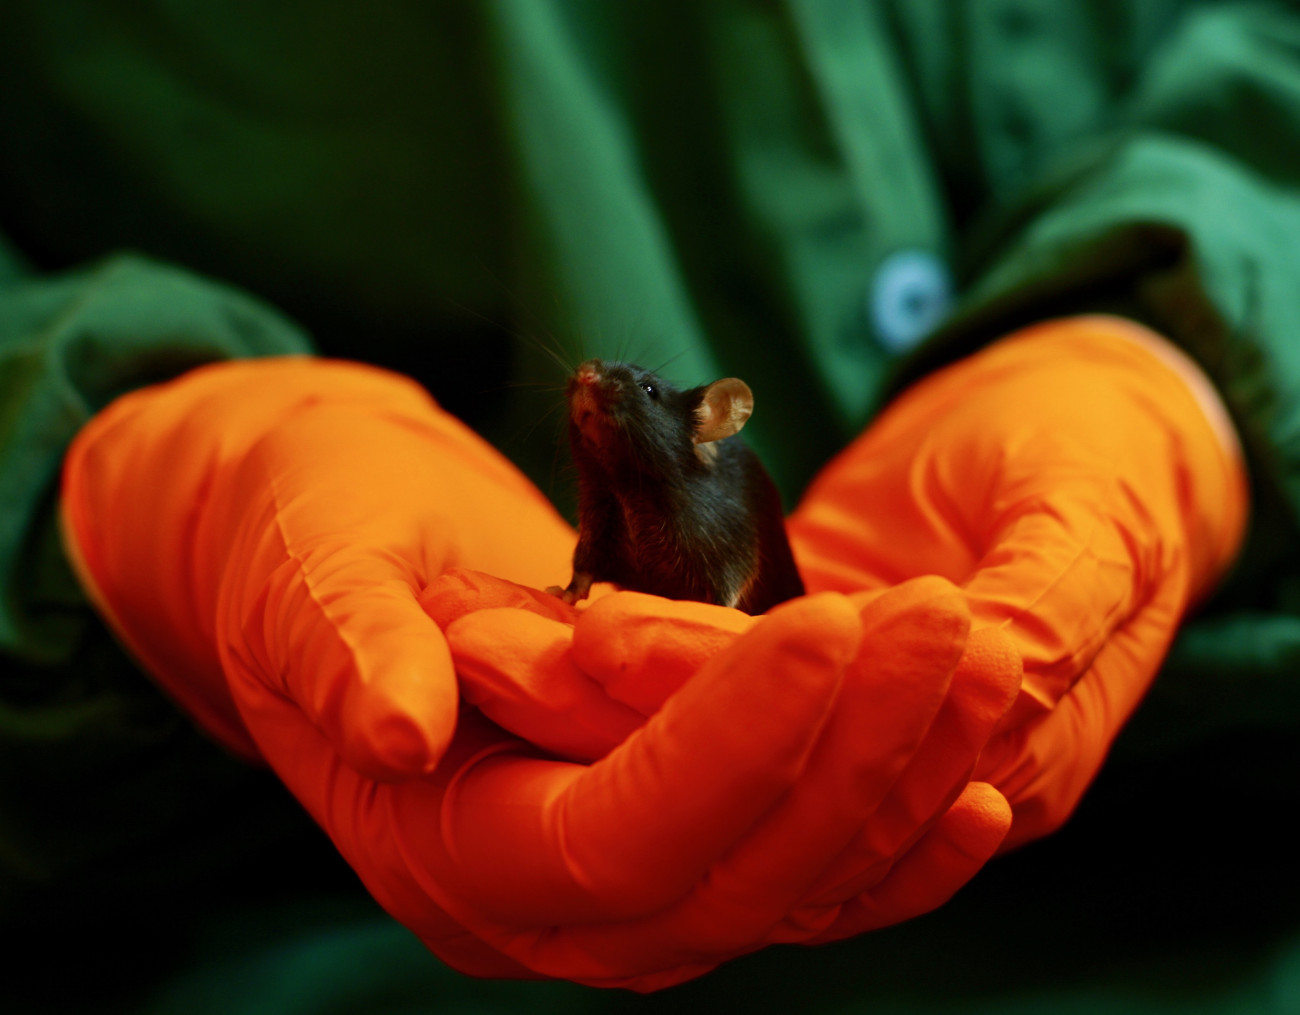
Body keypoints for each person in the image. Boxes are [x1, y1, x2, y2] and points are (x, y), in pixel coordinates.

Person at [2, 1, 1299, 1010]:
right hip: (284, 945)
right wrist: (132, 490)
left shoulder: (714, 488)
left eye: (624, 394)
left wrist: (1176, 365)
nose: (593, 391)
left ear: (700, 427)